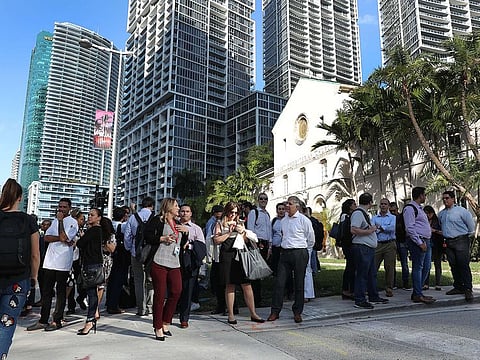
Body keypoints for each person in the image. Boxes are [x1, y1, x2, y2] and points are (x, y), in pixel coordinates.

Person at [0, 179, 40, 357]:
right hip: (18, 280)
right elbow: (35, 254)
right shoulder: (28, 220)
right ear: (20, 197)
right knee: (6, 324)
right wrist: (34, 276)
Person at [27, 198, 78, 332]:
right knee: (46, 292)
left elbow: (64, 237)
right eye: (60, 206)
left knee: (61, 293)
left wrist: (61, 226)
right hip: (50, 261)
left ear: (69, 208)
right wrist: (63, 238)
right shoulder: (54, 221)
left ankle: (57, 320)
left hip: (63, 262)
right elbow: (47, 238)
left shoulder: (72, 222)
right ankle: (43, 320)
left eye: (64, 207)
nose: (61, 209)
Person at [213, 202, 264, 325]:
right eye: (231, 212)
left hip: (240, 255)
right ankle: (230, 314)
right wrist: (229, 232)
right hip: (227, 255)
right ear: (226, 211)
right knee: (230, 285)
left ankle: (253, 313)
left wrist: (243, 232)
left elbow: (247, 240)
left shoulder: (240, 222)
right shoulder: (219, 224)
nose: (233, 215)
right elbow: (216, 240)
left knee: (246, 284)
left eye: (236, 212)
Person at [267, 196, 314, 323]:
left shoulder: (304, 220)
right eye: (286, 203)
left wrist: (304, 250)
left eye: (290, 203)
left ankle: (297, 312)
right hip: (285, 253)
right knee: (279, 282)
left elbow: (311, 239)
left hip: (299, 252)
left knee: (299, 283)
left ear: (297, 206)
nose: (287, 205)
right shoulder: (283, 221)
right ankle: (275, 311)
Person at [146, 198, 184, 341]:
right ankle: (158, 327)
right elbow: (148, 236)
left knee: (176, 291)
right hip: (159, 261)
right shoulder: (158, 220)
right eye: (176, 206)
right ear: (168, 207)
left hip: (174, 262)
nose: (178, 208)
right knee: (160, 295)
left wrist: (185, 232)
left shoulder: (178, 223)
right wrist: (162, 238)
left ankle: (166, 321)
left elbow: (181, 243)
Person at [351, 193, 389, 309]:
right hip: (362, 247)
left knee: (371, 273)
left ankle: (373, 295)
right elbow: (353, 229)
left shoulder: (365, 214)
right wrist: (370, 231)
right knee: (362, 274)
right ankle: (360, 299)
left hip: (369, 247)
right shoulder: (358, 213)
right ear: (370, 202)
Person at [438, 191, 475, 302]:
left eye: (447, 198)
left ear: (453, 199)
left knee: (463, 264)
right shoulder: (441, 214)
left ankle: (468, 288)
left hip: (461, 240)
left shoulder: (462, 211)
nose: (445, 200)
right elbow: (441, 225)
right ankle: (458, 286)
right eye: (443, 198)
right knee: (453, 265)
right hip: (448, 242)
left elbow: (471, 226)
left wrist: (465, 237)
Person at [75, 208, 106, 335]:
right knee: (91, 292)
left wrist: (82, 238)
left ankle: (90, 320)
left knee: (91, 293)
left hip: (91, 264)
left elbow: (80, 244)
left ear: (99, 218)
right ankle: (91, 318)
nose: (89, 217)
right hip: (94, 262)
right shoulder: (97, 231)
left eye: (92, 215)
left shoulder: (94, 230)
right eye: (88, 215)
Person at [124, 196, 155, 316]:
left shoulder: (133, 217)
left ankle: (141, 308)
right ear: (152, 206)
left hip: (136, 252)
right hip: (151, 253)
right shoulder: (155, 217)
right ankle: (150, 306)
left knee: (138, 280)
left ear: (142, 205)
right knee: (150, 280)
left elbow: (127, 236)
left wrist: (129, 248)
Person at [404, 187, 435, 304]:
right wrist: (419, 242)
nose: (425, 197)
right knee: (418, 267)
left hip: (426, 240)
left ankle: (418, 291)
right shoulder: (410, 208)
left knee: (426, 266)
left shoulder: (419, 209)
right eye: (424, 195)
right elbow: (410, 227)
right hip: (418, 241)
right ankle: (417, 293)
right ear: (420, 195)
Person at [178, 204, 206, 328]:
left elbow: (201, 247)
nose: (184, 213)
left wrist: (189, 243)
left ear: (191, 213)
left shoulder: (196, 229)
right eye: (182, 211)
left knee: (188, 290)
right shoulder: (174, 225)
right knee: (175, 288)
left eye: (187, 211)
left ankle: (184, 318)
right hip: (175, 259)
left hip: (190, 261)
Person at [247, 192, 272, 307]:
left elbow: (269, 231)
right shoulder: (254, 212)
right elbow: (250, 230)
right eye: (261, 199)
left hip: (266, 244)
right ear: (258, 200)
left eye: (265, 199)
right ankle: (256, 300)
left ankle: (258, 298)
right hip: (257, 243)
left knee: (261, 272)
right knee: (256, 273)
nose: (263, 200)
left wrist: (270, 246)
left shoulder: (267, 214)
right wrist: (254, 246)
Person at [106, 206, 130, 314]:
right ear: (124, 216)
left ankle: (109, 301)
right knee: (118, 280)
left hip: (111, 253)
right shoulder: (124, 226)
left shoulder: (109, 224)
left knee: (111, 279)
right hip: (121, 253)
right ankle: (114, 304)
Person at [372, 198, 397, 297]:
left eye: (385, 204)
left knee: (390, 267)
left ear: (388, 206)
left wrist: (380, 227)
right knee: (373, 267)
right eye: (381, 204)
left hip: (390, 244)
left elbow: (392, 228)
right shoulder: (374, 218)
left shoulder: (393, 217)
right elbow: (372, 228)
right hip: (378, 244)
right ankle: (372, 287)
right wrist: (383, 228)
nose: (383, 206)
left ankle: (389, 288)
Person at [66, 208, 86, 315]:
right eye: (82, 219)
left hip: (79, 260)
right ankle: (71, 306)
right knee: (70, 284)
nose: (83, 221)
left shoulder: (83, 231)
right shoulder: (71, 229)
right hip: (71, 259)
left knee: (82, 283)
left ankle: (81, 297)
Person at [391, 202, 410, 290]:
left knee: (404, 263)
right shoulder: (390, 218)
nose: (393, 213)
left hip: (402, 241)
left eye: (394, 210)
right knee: (391, 264)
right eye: (391, 211)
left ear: (397, 209)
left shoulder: (401, 217)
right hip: (393, 241)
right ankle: (392, 283)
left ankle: (405, 283)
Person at [423, 205, 443, 291]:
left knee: (437, 264)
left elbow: (442, 232)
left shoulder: (437, 221)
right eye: (426, 214)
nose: (427, 215)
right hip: (427, 243)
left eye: (428, 213)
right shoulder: (423, 221)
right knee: (427, 264)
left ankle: (438, 283)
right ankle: (425, 283)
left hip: (436, 244)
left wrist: (434, 230)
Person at [340, 199, 356, 300]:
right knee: (350, 267)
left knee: (351, 267)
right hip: (347, 244)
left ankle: (350, 289)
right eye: (354, 204)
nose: (355, 206)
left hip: (349, 244)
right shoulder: (345, 216)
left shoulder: (350, 215)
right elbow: (345, 231)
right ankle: (347, 290)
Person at [270, 202, 286, 276]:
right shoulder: (274, 221)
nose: (281, 211)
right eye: (279, 209)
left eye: (283, 209)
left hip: (285, 246)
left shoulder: (287, 221)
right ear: (277, 210)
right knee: (275, 265)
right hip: (275, 246)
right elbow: (271, 233)